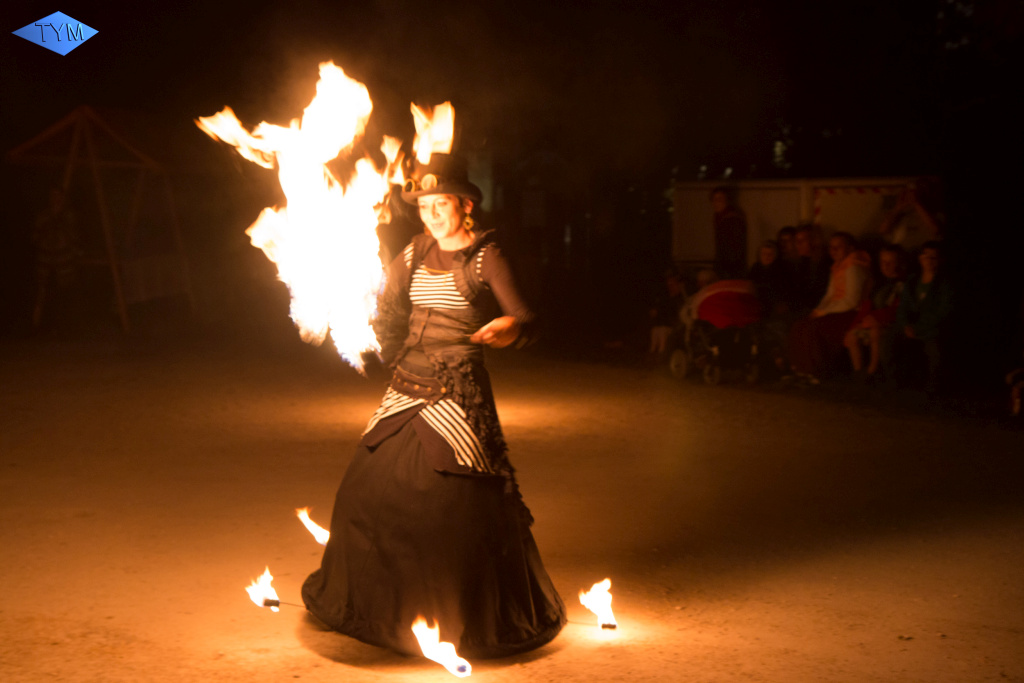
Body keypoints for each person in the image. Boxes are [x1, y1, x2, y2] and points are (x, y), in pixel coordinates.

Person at [302, 153, 566, 658]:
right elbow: (388, 306)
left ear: (465, 205)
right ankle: (376, 611)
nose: (431, 215)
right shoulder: (414, 251)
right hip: (406, 383)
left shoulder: (487, 258)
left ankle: (456, 621)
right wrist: (365, 324)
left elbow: (527, 320)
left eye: (440, 204)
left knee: (447, 507)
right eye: (423, 206)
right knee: (364, 489)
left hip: (457, 391)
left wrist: (508, 330)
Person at [786, 232, 870, 383]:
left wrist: (824, 312)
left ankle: (817, 371)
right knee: (800, 325)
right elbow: (829, 295)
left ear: (850, 248)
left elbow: (851, 300)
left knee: (814, 329)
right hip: (834, 310)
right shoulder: (837, 267)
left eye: (839, 247)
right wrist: (818, 310)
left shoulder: (853, 267)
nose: (834, 250)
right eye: (832, 247)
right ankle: (799, 369)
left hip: (849, 313)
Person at [884, 240, 952, 391]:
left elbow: (942, 312)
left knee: (934, 350)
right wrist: (906, 325)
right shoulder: (913, 281)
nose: (928, 260)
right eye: (925, 256)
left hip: (930, 328)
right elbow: (903, 307)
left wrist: (919, 327)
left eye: (933, 257)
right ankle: (893, 380)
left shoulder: (944, 284)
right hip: (911, 325)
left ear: (940, 260)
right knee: (889, 336)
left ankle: (933, 386)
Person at [843, 244, 907, 380]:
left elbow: (899, 308)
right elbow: (866, 306)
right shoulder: (877, 282)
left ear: (899, 263)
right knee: (853, 336)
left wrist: (876, 318)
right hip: (870, 321)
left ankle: (873, 369)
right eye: (883, 262)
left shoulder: (904, 283)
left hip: (887, 322)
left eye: (890, 262)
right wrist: (856, 324)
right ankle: (858, 371)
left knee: (875, 331)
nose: (886, 266)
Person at [710, 187, 748, 279]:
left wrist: (726, 269)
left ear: (727, 200)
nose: (716, 203)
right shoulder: (719, 218)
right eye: (714, 200)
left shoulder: (733, 219)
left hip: (731, 269)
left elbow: (734, 247)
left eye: (720, 199)